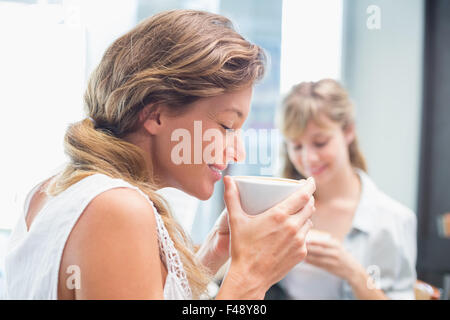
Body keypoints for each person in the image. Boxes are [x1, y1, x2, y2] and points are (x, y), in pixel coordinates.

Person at [4, 10, 316, 300]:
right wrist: (252, 276)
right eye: (226, 126)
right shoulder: (117, 208)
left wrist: (211, 255)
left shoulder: (56, 189)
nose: (237, 151)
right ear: (155, 115)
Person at [276, 79, 417, 299]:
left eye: (320, 143)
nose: (308, 158)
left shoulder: (394, 220)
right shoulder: (281, 209)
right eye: (296, 146)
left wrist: (353, 273)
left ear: (348, 131)